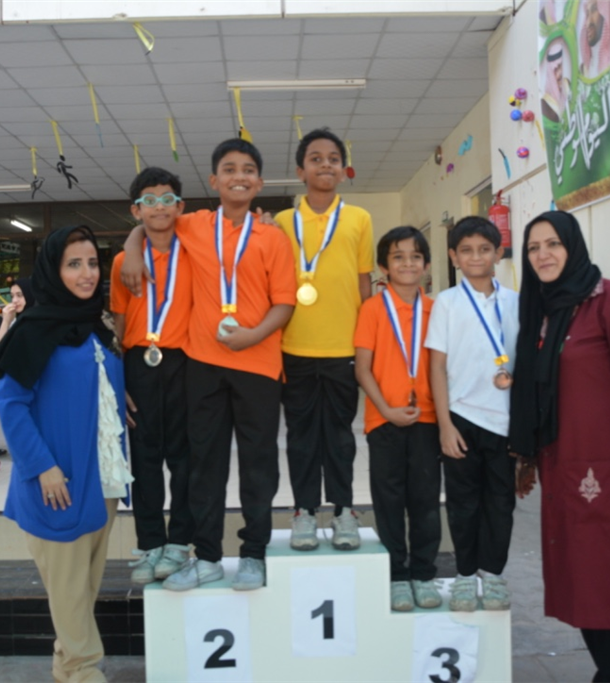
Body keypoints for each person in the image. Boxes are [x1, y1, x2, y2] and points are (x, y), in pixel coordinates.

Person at [121, 139, 296, 592]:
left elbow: (284, 303)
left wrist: (252, 335)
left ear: (259, 182)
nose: (239, 176)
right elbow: (149, 221)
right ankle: (209, 556)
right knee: (205, 465)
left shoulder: (273, 237)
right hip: (203, 364)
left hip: (258, 365)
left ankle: (253, 553)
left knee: (258, 465)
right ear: (214, 180)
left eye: (248, 169)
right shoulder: (194, 224)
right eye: (229, 169)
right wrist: (133, 248)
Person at [510, 211, 610, 683]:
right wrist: (528, 456)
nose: (543, 255)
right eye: (533, 247)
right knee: (584, 585)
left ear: (573, 247)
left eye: (553, 244)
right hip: (563, 469)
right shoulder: (542, 311)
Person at [0, 225, 131, 683]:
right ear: (53, 270)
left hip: (101, 478)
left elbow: (94, 377)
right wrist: (42, 467)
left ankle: (66, 669)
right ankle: (85, 671)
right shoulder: (34, 330)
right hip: (57, 483)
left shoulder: (95, 325)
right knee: (69, 592)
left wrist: (116, 391)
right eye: (74, 264)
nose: (87, 274)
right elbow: (10, 403)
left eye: (92, 263)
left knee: (81, 590)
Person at [274, 127, 374, 552]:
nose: (325, 165)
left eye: (333, 158)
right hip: (293, 347)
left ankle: (344, 510)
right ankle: (303, 511)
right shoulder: (282, 222)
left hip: (343, 348)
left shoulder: (359, 219)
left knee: (339, 436)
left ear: (344, 169)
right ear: (301, 171)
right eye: (315, 159)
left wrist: (368, 341)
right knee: (300, 436)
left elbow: (364, 282)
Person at [425, 216, 519, 613]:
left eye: (484, 249)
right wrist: (445, 425)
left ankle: (492, 574)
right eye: (466, 250)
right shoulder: (446, 303)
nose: (475, 257)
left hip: (505, 421)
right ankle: (465, 574)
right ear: (453, 257)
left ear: (499, 253)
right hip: (461, 418)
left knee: (501, 502)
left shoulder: (515, 301)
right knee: (463, 502)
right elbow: (436, 367)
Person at [110, 167, 195, 585]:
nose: (158, 207)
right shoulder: (122, 263)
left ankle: (179, 542)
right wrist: (122, 377)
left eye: (167, 199)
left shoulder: (195, 250)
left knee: (184, 458)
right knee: (144, 459)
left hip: (184, 362)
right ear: (136, 210)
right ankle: (150, 544)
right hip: (139, 362)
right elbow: (120, 324)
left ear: (180, 207)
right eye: (149, 200)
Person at [353, 226, 442, 612]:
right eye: (398, 257)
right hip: (383, 420)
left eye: (415, 257)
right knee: (388, 500)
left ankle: (423, 573)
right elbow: (362, 368)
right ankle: (396, 576)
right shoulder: (372, 309)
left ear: (427, 264)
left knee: (425, 500)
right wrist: (386, 410)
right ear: (383, 267)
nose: (408, 264)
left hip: (428, 419)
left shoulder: (438, 310)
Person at [0, 277, 34, 348]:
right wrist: (6, 321)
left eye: (19, 295)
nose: (14, 300)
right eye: (12, 296)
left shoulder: (39, 322)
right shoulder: (15, 322)